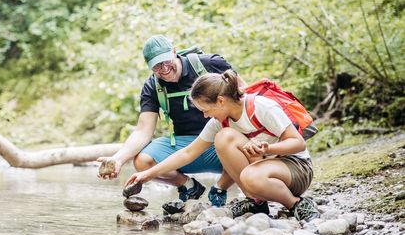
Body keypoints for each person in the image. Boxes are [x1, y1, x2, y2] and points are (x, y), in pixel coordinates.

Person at [123, 70, 321, 221]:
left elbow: (297, 143)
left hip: (296, 169)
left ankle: (296, 204)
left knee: (248, 173)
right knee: (224, 137)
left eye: (206, 110)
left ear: (220, 101)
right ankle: (256, 203)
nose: (204, 115)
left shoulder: (260, 106)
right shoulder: (219, 122)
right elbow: (188, 152)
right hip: (265, 168)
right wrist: (146, 175)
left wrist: (268, 149)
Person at [97, 35, 237, 206]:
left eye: (165, 61)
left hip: (224, 141)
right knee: (142, 161)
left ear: (174, 52)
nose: (163, 69)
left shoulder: (210, 64)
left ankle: (226, 188)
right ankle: (188, 186)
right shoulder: (152, 87)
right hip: (185, 147)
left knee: (244, 144)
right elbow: (143, 130)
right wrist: (118, 159)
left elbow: (244, 97)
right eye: (156, 65)